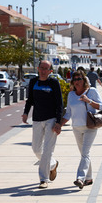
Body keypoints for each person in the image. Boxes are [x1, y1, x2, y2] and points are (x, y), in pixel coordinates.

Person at [22, 60, 63, 189]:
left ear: (50, 71)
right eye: (42, 68)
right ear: (38, 68)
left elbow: (60, 103)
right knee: (36, 149)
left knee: (47, 151)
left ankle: (43, 179)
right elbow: (30, 100)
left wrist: (58, 122)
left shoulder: (53, 83)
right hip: (37, 119)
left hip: (51, 120)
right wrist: (25, 113)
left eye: (46, 68)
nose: (43, 70)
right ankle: (52, 164)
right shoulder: (34, 82)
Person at [60, 70, 102, 189]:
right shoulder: (71, 95)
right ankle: (89, 178)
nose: (77, 82)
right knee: (84, 154)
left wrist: (88, 101)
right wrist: (59, 125)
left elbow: (101, 106)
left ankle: (80, 178)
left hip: (90, 127)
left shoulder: (92, 91)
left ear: (84, 80)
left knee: (85, 153)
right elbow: (68, 113)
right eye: (75, 79)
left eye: (79, 79)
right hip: (77, 128)